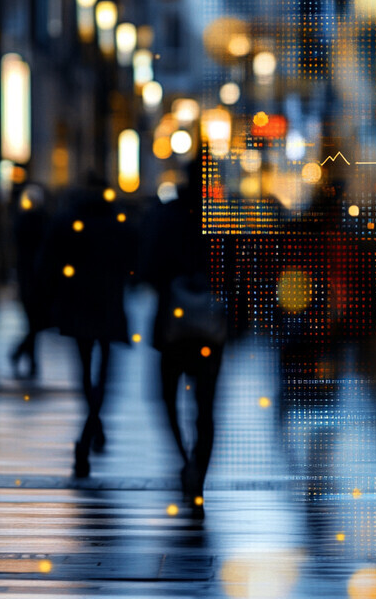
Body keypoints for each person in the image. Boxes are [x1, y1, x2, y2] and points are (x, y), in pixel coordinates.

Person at [141, 158, 226, 517]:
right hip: (210, 325)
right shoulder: (222, 220)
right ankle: (198, 470)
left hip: (172, 324)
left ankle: (183, 458)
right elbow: (236, 272)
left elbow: (148, 266)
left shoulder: (168, 216)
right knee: (205, 407)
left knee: (166, 396)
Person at [39, 176, 135, 477]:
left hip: (77, 302)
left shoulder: (68, 219)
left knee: (83, 369)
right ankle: (92, 426)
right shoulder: (116, 222)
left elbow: (48, 263)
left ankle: (91, 426)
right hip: (107, 302)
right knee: (104, 372)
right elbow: (132, 259)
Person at [9, 183, 50, 379]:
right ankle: (24, 355)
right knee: (36, 322)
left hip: (28, 277)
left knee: (34, 322)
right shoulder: (41, 222)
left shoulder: (22, 222)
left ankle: (26, 356)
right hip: (37, 278)